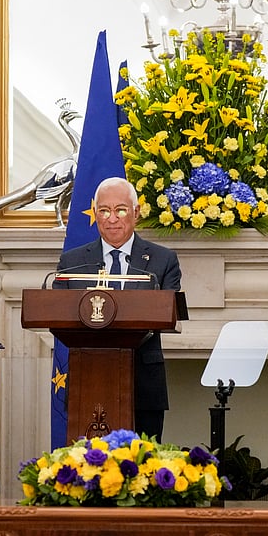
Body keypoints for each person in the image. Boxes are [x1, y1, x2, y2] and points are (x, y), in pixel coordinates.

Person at [53, 176, 182, 440]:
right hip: (87, 383)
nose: (112, 218)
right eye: (104, 210)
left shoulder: (163, 260)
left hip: (144, 385)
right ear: (95, 213)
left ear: (136, 213)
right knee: (87, 470)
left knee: (144, 470)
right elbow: (58, 311)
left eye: (120, 210)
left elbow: (168, 311)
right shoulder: (72, 261)